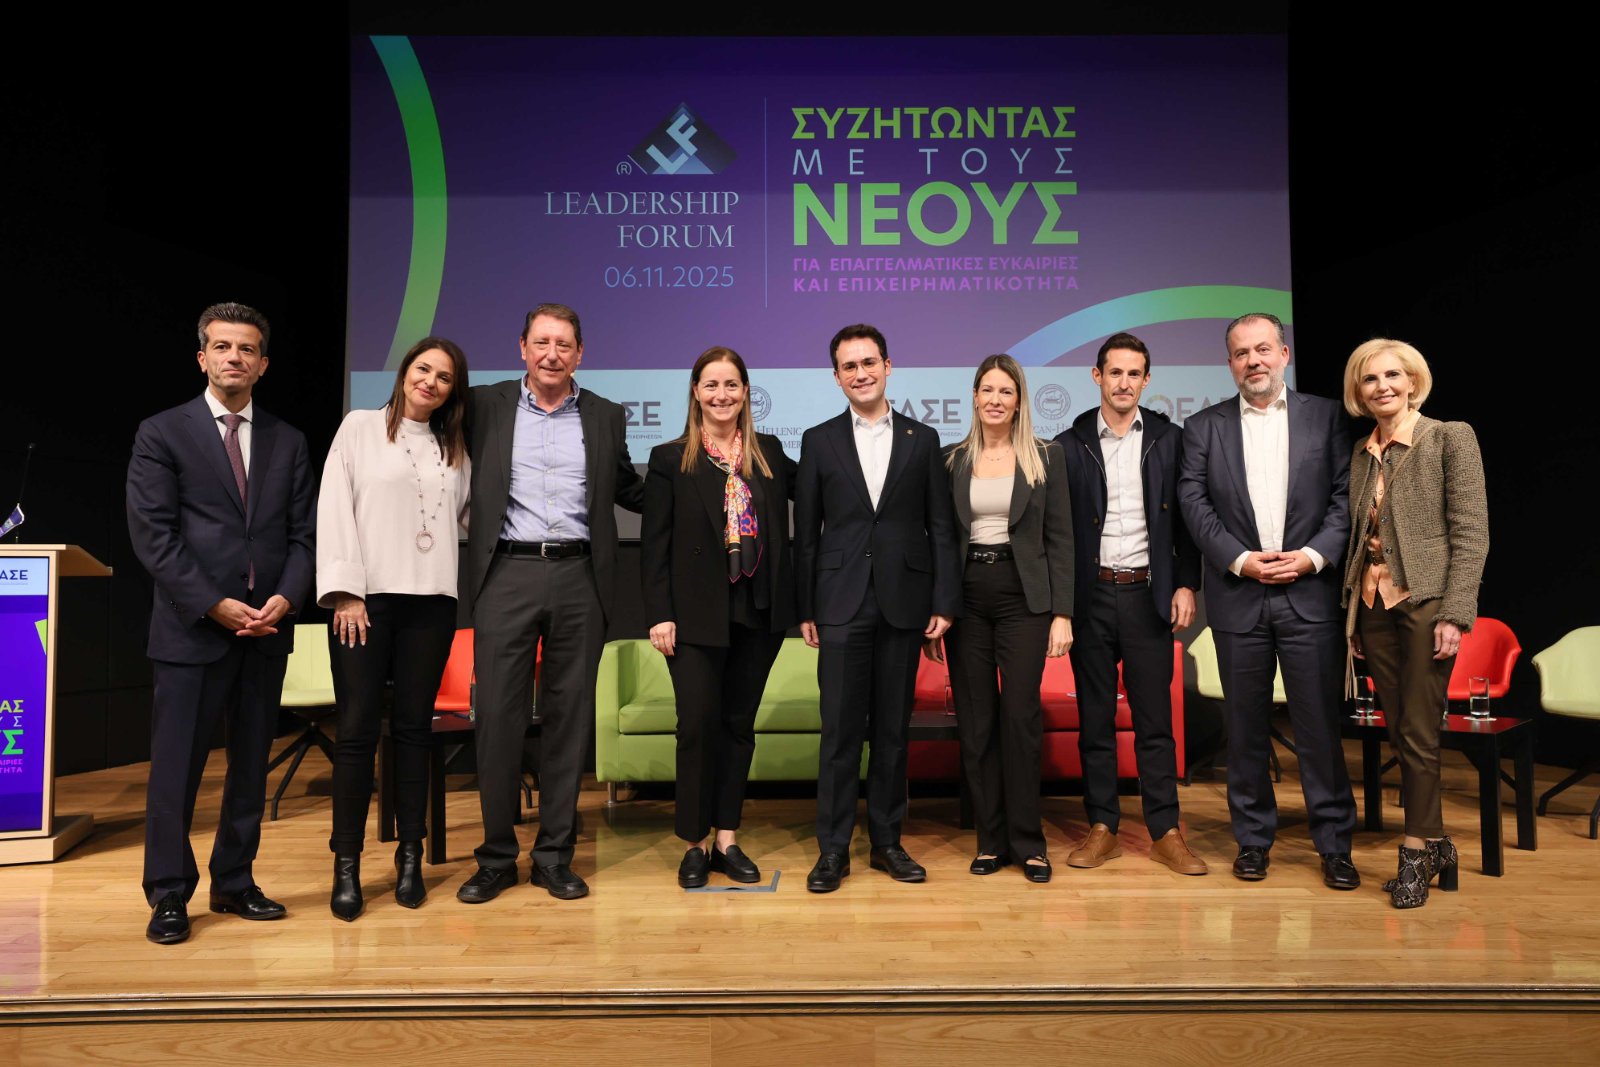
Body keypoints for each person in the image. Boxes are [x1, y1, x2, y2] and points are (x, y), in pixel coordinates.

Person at [127, 302, 315, 943]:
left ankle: (235, 882)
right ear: (202, 357)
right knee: (176, 770)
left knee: (250, 768)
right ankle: (169, 893)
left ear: (263, 364)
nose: (235, 357)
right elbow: (154, 536)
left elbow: (304, 537)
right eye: (223, 347)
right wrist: (213, 603)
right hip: (192, 630)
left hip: (266, 630)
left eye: (247, 349)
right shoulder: (162, 432)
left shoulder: (289, 441)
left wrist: (286, 598)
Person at [455, 303, 643, 903]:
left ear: (580, 354)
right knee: (497, 719)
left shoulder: (606, 414)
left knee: (569, 720)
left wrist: (696, 486)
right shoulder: (484, 405)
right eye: (542, 343)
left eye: (564, 345)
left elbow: (627, 486)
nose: (552, 354)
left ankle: (554, 857)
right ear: (522, 348)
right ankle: (495, 858)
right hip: (506, 572)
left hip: (581, 575)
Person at [1177, 312, 1360, 889]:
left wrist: (1311, 557)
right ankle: (1253, 841)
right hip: (1239, 596)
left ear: (1284, 353)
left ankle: (1334, 845)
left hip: (1310, 594)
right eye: (1240, 353)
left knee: (1318, 729)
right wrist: (1239, 559)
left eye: (1262, 349)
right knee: (1245, 730)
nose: (1252, 361)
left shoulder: (1328, 417)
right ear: (1229, 363)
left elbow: (1346, 497)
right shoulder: (1202, 427)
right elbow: (1193, 503)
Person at [795, 323, 961, 892]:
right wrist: (806, 606)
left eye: (869, 362)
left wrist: (943, 600)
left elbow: (941, 526)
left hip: (904, 603)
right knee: (840, 734)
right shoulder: (818, 440)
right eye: (850, 366)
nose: (861, 373)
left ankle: (888, 842)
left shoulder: (923, 438)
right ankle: (833, 850)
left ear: (888, 366)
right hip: (839, 603)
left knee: (892, 733)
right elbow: (807, 533)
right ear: (836, 376)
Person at [316, 337, 471, 919]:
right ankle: (347, 864)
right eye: (423, 369)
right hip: (366, 602)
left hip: (432, 602)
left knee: (413, 731)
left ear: (452, 391)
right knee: (356, 731)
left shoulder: (455, 447)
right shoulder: (359, 427)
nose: (430, 381)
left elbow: (469, 515)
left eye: (444, 377)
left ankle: (410, 857)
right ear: (404, 372)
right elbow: (334, 506)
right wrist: (346, 591)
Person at [640, 347, 798, 888]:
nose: (722, 394)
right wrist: (659, 613)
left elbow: (821, 493)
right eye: (711, 385)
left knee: (737, 726)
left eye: (731, 384)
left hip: (758, 612)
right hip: (692, 617)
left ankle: (727, 838)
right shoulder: (670, 459)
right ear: (696, 392)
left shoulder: (769, 452)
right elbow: (654, 545)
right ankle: (694, 843)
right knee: (697, 726)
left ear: (746, 391)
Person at [1339, 339, 1487, 908]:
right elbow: (1360, 538)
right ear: (1359, 392)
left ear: (1413, 382)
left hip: (1426, 602)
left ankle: (1415, 852)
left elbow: (1471, 533)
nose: (1382, 387)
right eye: (1370, 379)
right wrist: (1354, 616)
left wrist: (1456, 613)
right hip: (1374, 604)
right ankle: (1438, 842)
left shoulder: (1449, 437)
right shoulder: (1362, 452)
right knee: (1401, 728)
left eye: (1392, 375)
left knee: (1420, 730)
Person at [1057, 333, 1208, 876]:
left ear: (1147, 380)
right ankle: (1103, 828)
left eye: (1134, 373)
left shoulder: (1171, 439)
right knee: (1095, 720)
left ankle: (1166, 831)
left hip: (1148, 595)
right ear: (1096, 376)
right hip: (1091, 596)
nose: (1124, 383)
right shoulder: (1068, 443)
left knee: (1155, 722)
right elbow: (1058, 533)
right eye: (1114, 372)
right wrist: (1062, 606)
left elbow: (1189, 519)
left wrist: (1185, 583)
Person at [935, 354, 1073, 883]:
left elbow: (1061, 539)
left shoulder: (1046, 457)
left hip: (1024, 599)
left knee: (1019, 719)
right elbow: (940, 540)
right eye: (988, 390)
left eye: (1006, 391)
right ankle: (990, 842)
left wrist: (1063, 613)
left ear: (1019, 401)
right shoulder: (951, 460)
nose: (996, 400)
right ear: (974, 397)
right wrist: (938, 607)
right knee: (977, 724)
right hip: (967, 598)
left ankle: (1028, 843)